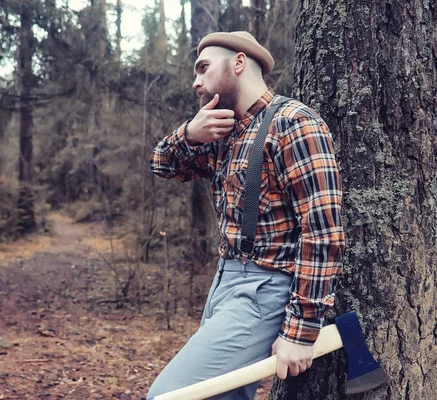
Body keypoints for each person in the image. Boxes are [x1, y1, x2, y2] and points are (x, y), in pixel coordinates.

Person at [147, 31, 345, 399]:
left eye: (203, 68)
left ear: (238, 63)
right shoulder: (222, 134)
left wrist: (301, 330)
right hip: (223, 285)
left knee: (167, 395)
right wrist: (189, 134)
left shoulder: (294, 122)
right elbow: (162, 164)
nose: (196, 82)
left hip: (264, 291)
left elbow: (323, 231)